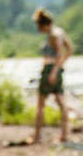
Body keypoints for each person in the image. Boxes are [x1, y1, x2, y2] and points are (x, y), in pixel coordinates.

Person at [32, 8, 74, 143]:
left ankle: (37, 137)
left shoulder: (53, 35)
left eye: (39, 26)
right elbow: (70, 49)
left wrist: (53, 71)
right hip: (58, 69)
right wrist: (60, 66)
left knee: (41, 105)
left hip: (50, 69)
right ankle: (65, 135)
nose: (39, 29)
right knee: (61, 102)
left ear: (43, 25)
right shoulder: (60, 31)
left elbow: (59, 53)